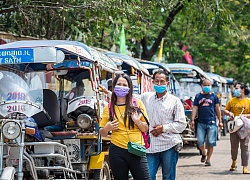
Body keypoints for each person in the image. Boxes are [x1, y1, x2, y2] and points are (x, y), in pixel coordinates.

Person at [99, 73, 151, 180]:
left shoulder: (137, 104)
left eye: (124, 85)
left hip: (137, 149)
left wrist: (138, 122)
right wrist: (107, 128)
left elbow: (146, 128)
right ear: (113, 87)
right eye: (119, 84)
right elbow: (102, 132)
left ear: (129, 88)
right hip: (117, 150)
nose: (121, 87)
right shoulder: (109, 108)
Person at [140, 70, 186, 180]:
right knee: (148, 176)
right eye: (157, 81)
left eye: (162, 81)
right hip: (150, 146)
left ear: (167, 83)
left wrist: (163, 128)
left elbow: (181, 124)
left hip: (169, 144)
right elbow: (130, 101)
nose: (159, 84)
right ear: (152, 82)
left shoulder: (175, 101)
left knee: (168, 176)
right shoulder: (146, 97)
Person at [191, 79, 223, 166]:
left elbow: (217, 109)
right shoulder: (198, 96)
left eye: (209, 85)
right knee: (200, 141)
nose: (207, 87)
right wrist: (192, 120)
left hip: (212, 122)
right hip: (201, 122)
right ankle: (204, 152)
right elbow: (195, 108)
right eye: (206, 85)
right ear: (202, 86)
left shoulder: (214, 96)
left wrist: (220, 121)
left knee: (211, 142)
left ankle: (208, 160)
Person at [224, 82, 250, 174]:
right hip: (234, 126)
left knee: (245, 146)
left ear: (243, 90)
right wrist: (229, 113)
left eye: (238, 88)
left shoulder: (248, 101)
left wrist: (246, 116)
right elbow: (226, 110)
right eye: (235, 88)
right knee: (234, 147)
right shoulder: (232, 101)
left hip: (245, 127)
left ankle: (245, 167)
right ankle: (234, 161)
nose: (236, 89)